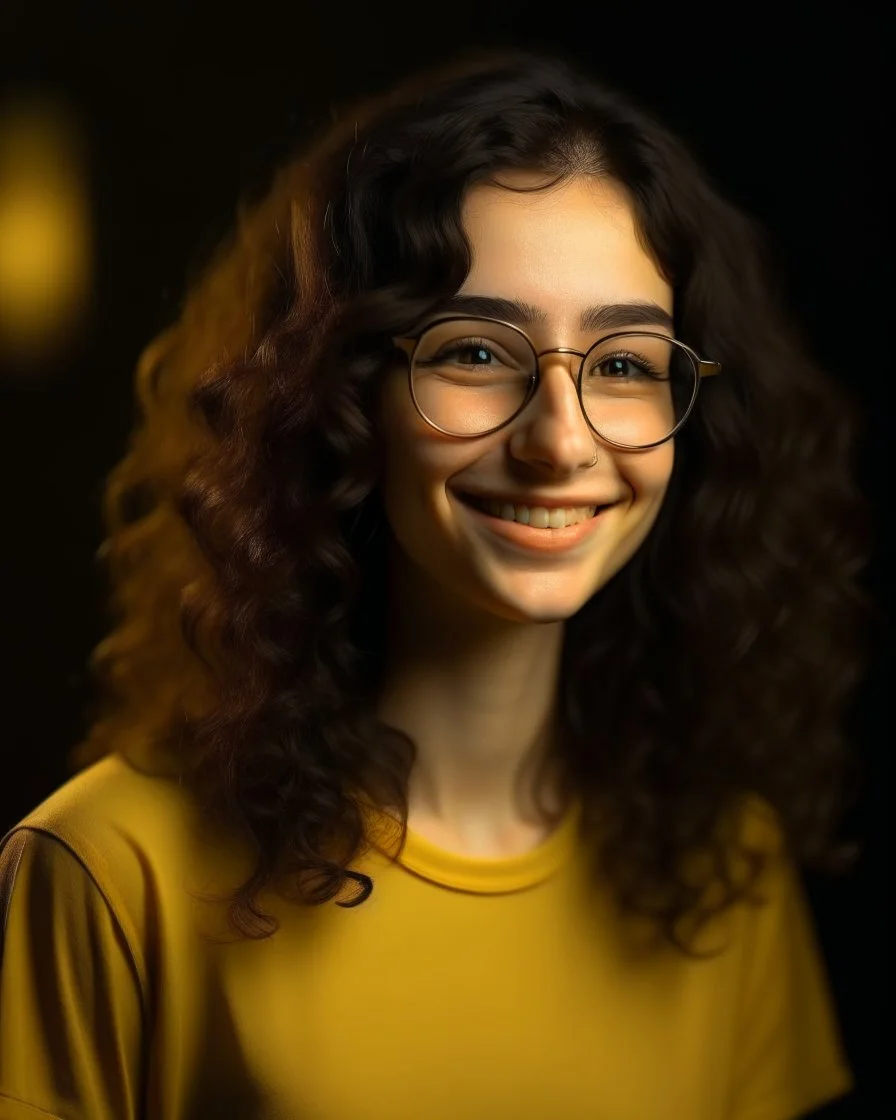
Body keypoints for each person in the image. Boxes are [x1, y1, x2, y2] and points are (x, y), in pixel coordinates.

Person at [0, 46, 874, 1120]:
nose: (561, 441)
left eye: (622, 364)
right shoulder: (107, 870)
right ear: (336, 399)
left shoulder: (721, 866)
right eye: (473, 353)